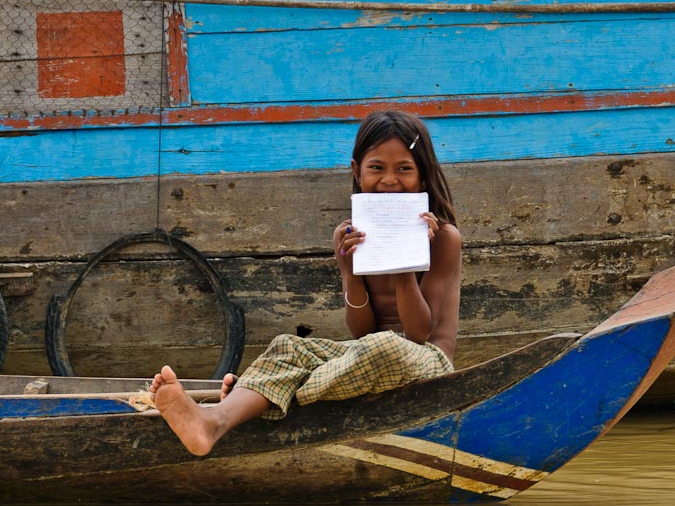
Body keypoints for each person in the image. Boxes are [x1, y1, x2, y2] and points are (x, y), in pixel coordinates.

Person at [148, 110, 462, 455]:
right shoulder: (348, 236)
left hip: (427, 362)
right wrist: (350, 272)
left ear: (422, 175)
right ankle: (212, 421)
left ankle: (262, 394)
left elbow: (417, 335)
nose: (389, 180)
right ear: (357, 171)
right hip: (361, 355)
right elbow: (361, 331)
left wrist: (404, 260)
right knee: (288, 346)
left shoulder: (443, 237)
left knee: (385, 346)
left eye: (404, 168)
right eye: (377, 168)